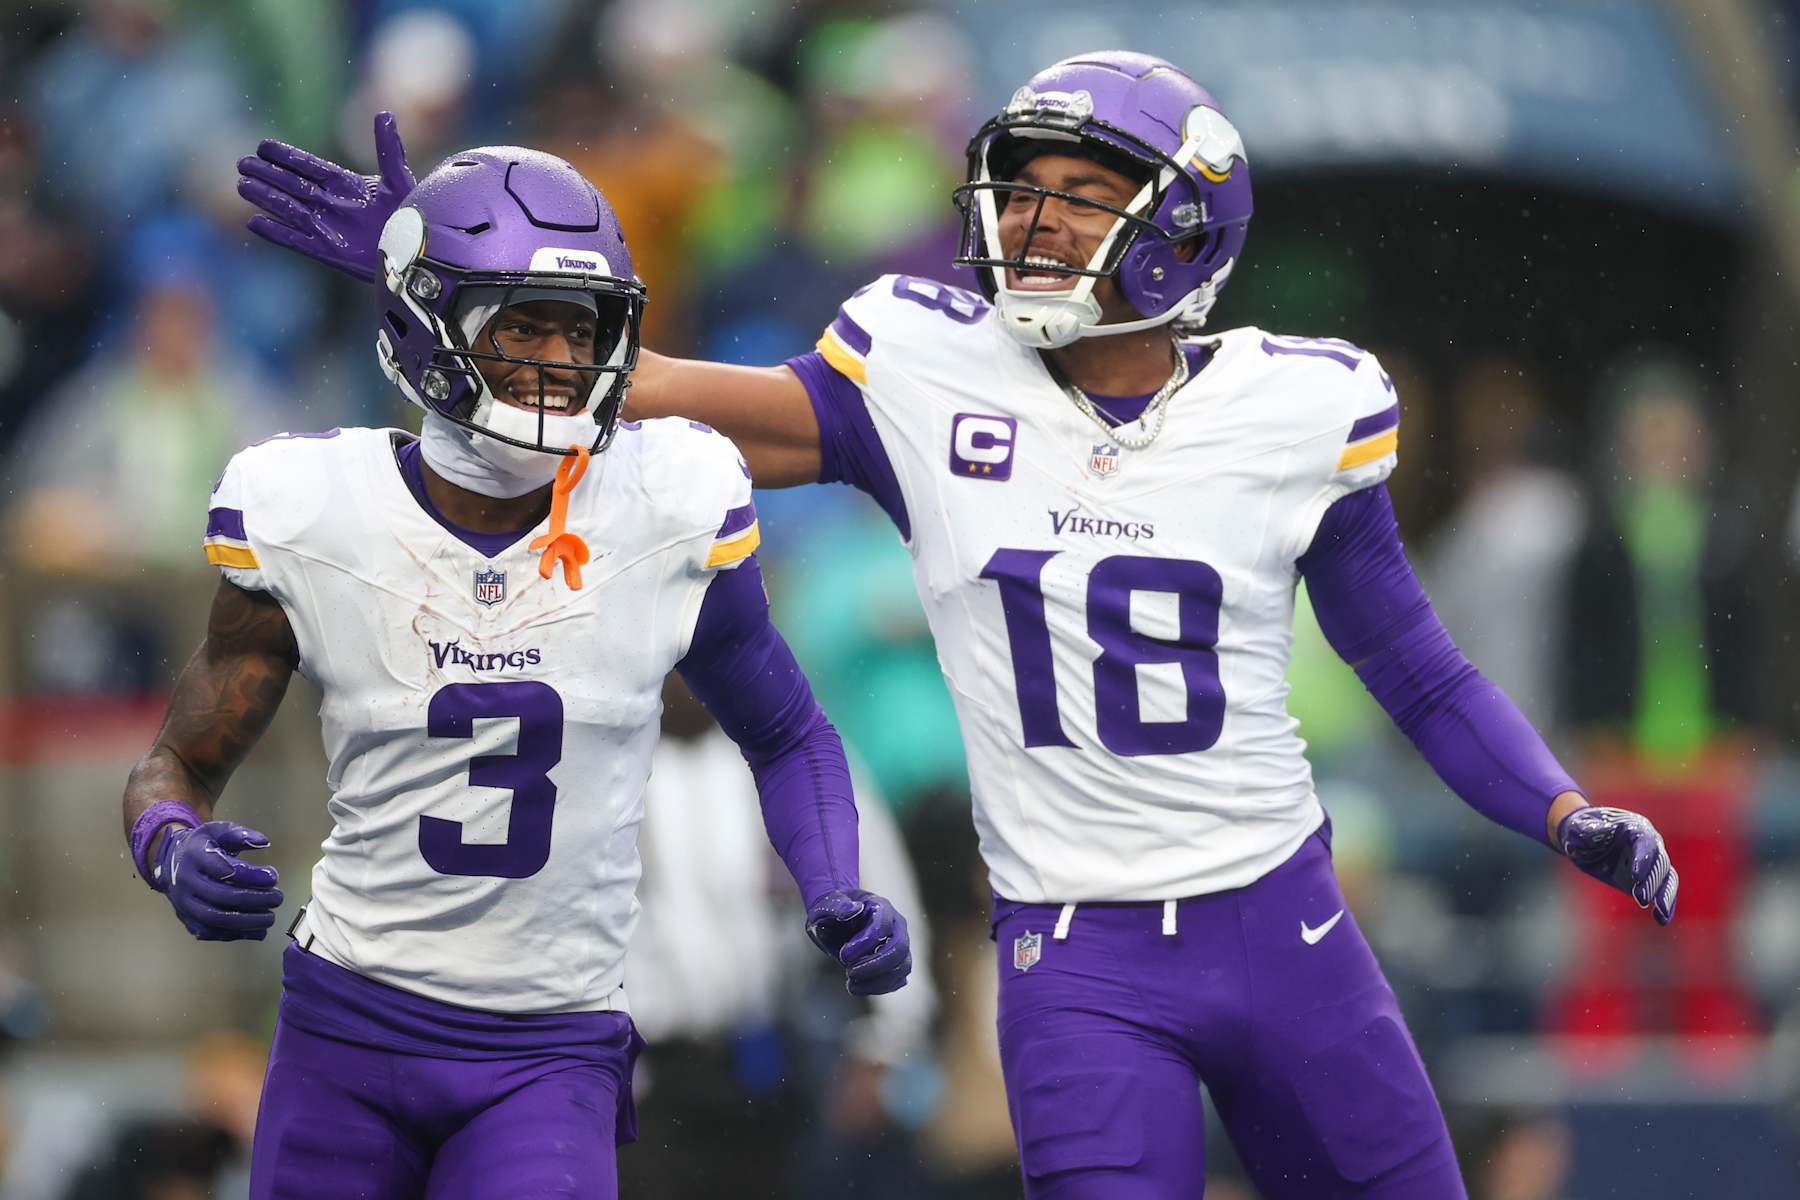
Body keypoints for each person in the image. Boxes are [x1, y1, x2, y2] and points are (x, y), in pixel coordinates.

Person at [237, 53, 1680, 1199]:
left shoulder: (1301, 402)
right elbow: (634, 383)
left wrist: (1557, 807)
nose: (1035, 218)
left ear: (1186, 224)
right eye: (1025, 186)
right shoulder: (925, 366)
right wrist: (456, 276)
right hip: (1076, 955)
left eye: (1078, 190)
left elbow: (1415, 671)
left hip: (1285, 920)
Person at [124, 145, 912, 1200]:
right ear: (428, 328)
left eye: (578, 329)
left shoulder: (666, 498)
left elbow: (787, 733)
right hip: (346, 1029)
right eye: (521, 326)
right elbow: (174, 763)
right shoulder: (311, 508)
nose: (556, 360)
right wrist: (170, 843)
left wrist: (834, 882)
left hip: (551, 1048)